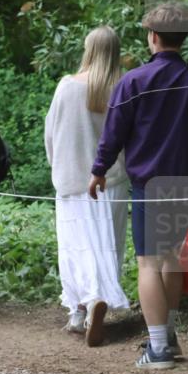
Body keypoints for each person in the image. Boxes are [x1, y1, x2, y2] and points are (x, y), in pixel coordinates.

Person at [89, 3, 188, 368]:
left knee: (148, 262)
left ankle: (158, 349)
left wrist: (98, 170)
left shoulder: (134, 82)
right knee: (171, 255)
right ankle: (168, 336)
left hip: (151, 185)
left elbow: (113, 133)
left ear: (153, 37)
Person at [45, 26, 130, 346]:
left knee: (75, 246)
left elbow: (51, 134)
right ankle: (99, 299)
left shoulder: (67, 86)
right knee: (108, 245)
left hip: (71, 180)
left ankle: (79, 311)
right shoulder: (124, 87)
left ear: (88, 49)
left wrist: (57, 166)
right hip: (112, 180)